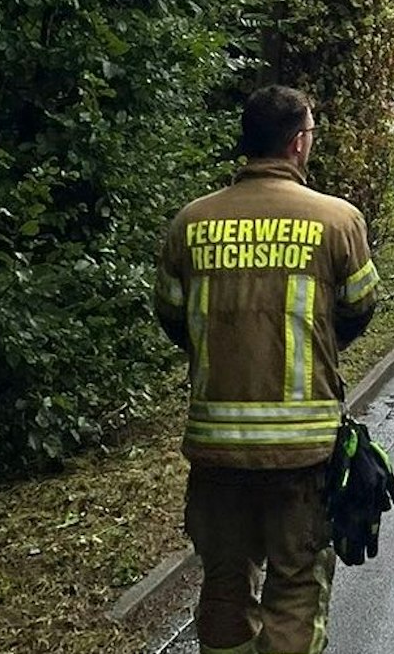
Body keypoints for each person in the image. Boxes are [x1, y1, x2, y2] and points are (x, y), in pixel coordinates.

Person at [152, 85, 377, 654]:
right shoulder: (337, 221)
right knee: (296, 583)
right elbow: (358, 311)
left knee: (224, 585)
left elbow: (172, 317)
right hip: (300, 454)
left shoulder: (190, 223)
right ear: (299, 143)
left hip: (214, 452)